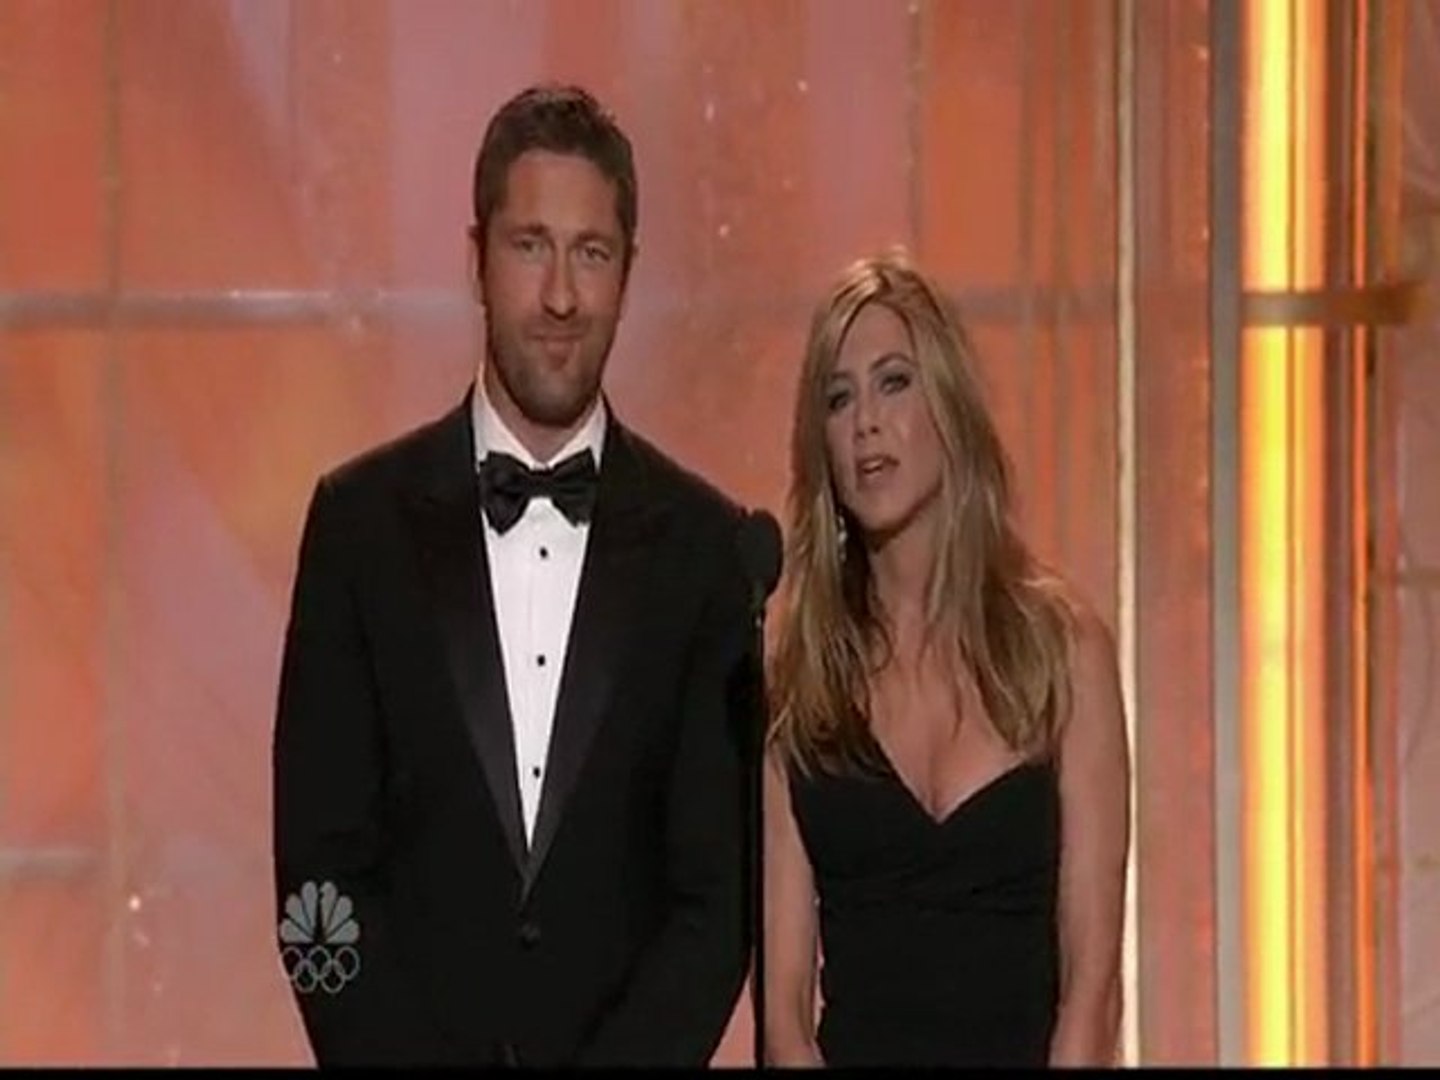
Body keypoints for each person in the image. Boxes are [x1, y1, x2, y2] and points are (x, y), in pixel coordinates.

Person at [272, 84, 756, 1067]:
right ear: (476, 260)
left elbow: (718, 908)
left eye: (593, 252)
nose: (563, 297)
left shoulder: (708, 551)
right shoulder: (355, 525)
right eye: (531, 245)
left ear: (629, 271)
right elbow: (310, 893)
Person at [762, 251, 1130, 1067]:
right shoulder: (801, 681)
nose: (866, 423)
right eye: (838, 397)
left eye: (895, 382)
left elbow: (1093, 986)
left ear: (950, 405)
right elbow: (784, 1012)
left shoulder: (1064, 654)